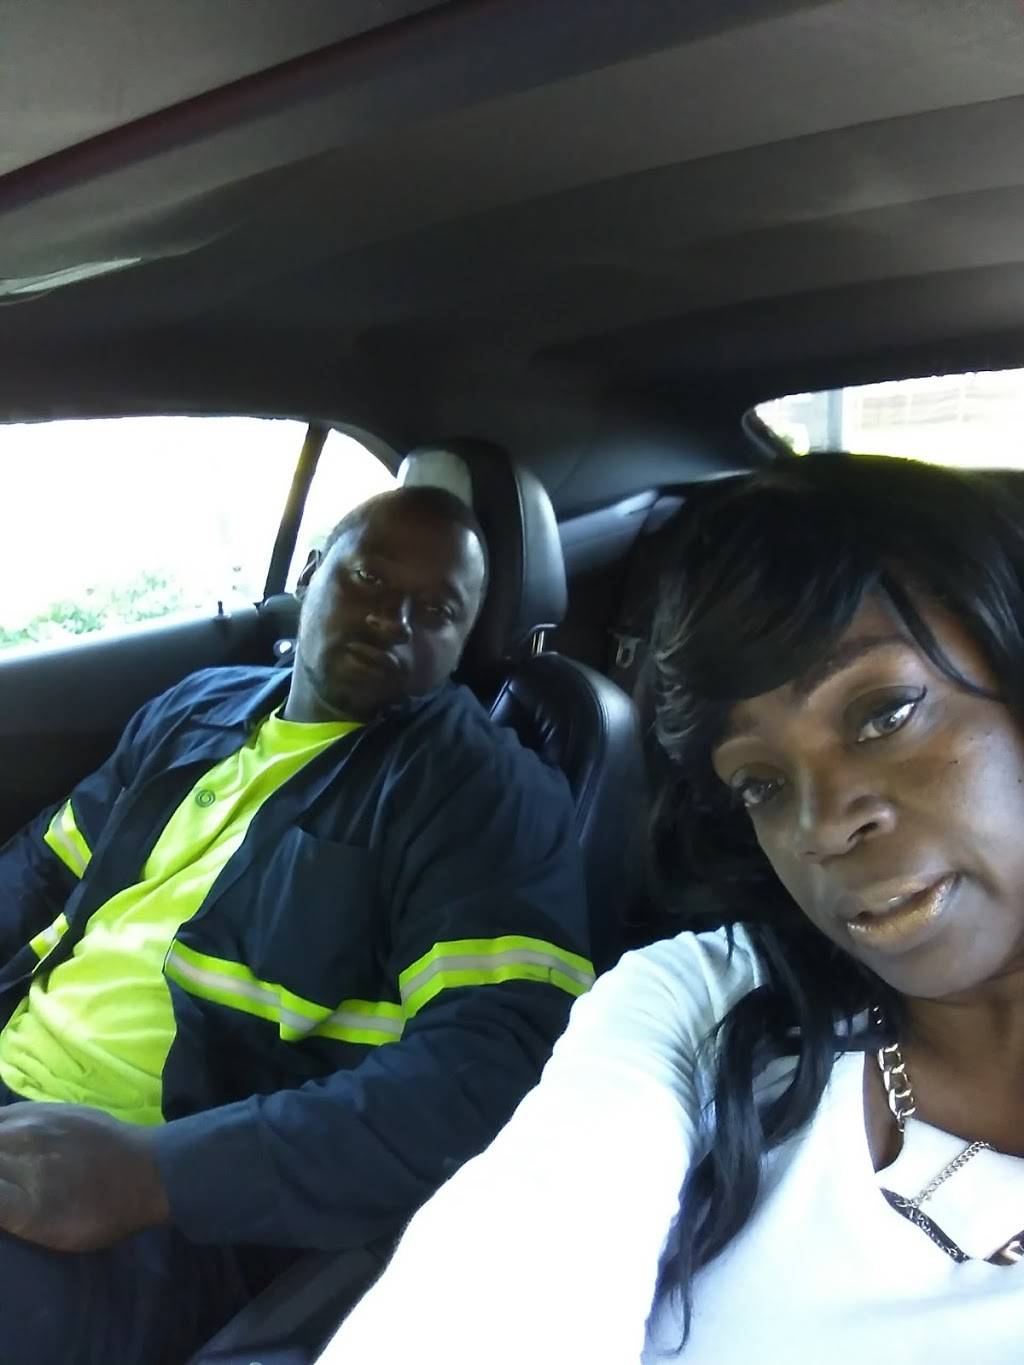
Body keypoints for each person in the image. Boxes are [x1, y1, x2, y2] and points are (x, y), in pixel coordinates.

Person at [319, 454, 1024, 1364]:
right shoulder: (705, 1006)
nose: (819, 826)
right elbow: (516, 1251)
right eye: (761, 784)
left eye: (885, 713)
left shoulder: (474, 782)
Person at [0, 484, 591, 1363]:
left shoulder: (481, 794)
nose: (392, 620)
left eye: (436, 611)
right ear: (312, 573)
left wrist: (163, 1173)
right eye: (369, 579)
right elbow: (44, 866)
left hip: (169, 1204)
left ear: (465, 639)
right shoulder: (196, 707)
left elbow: (487, 1067)